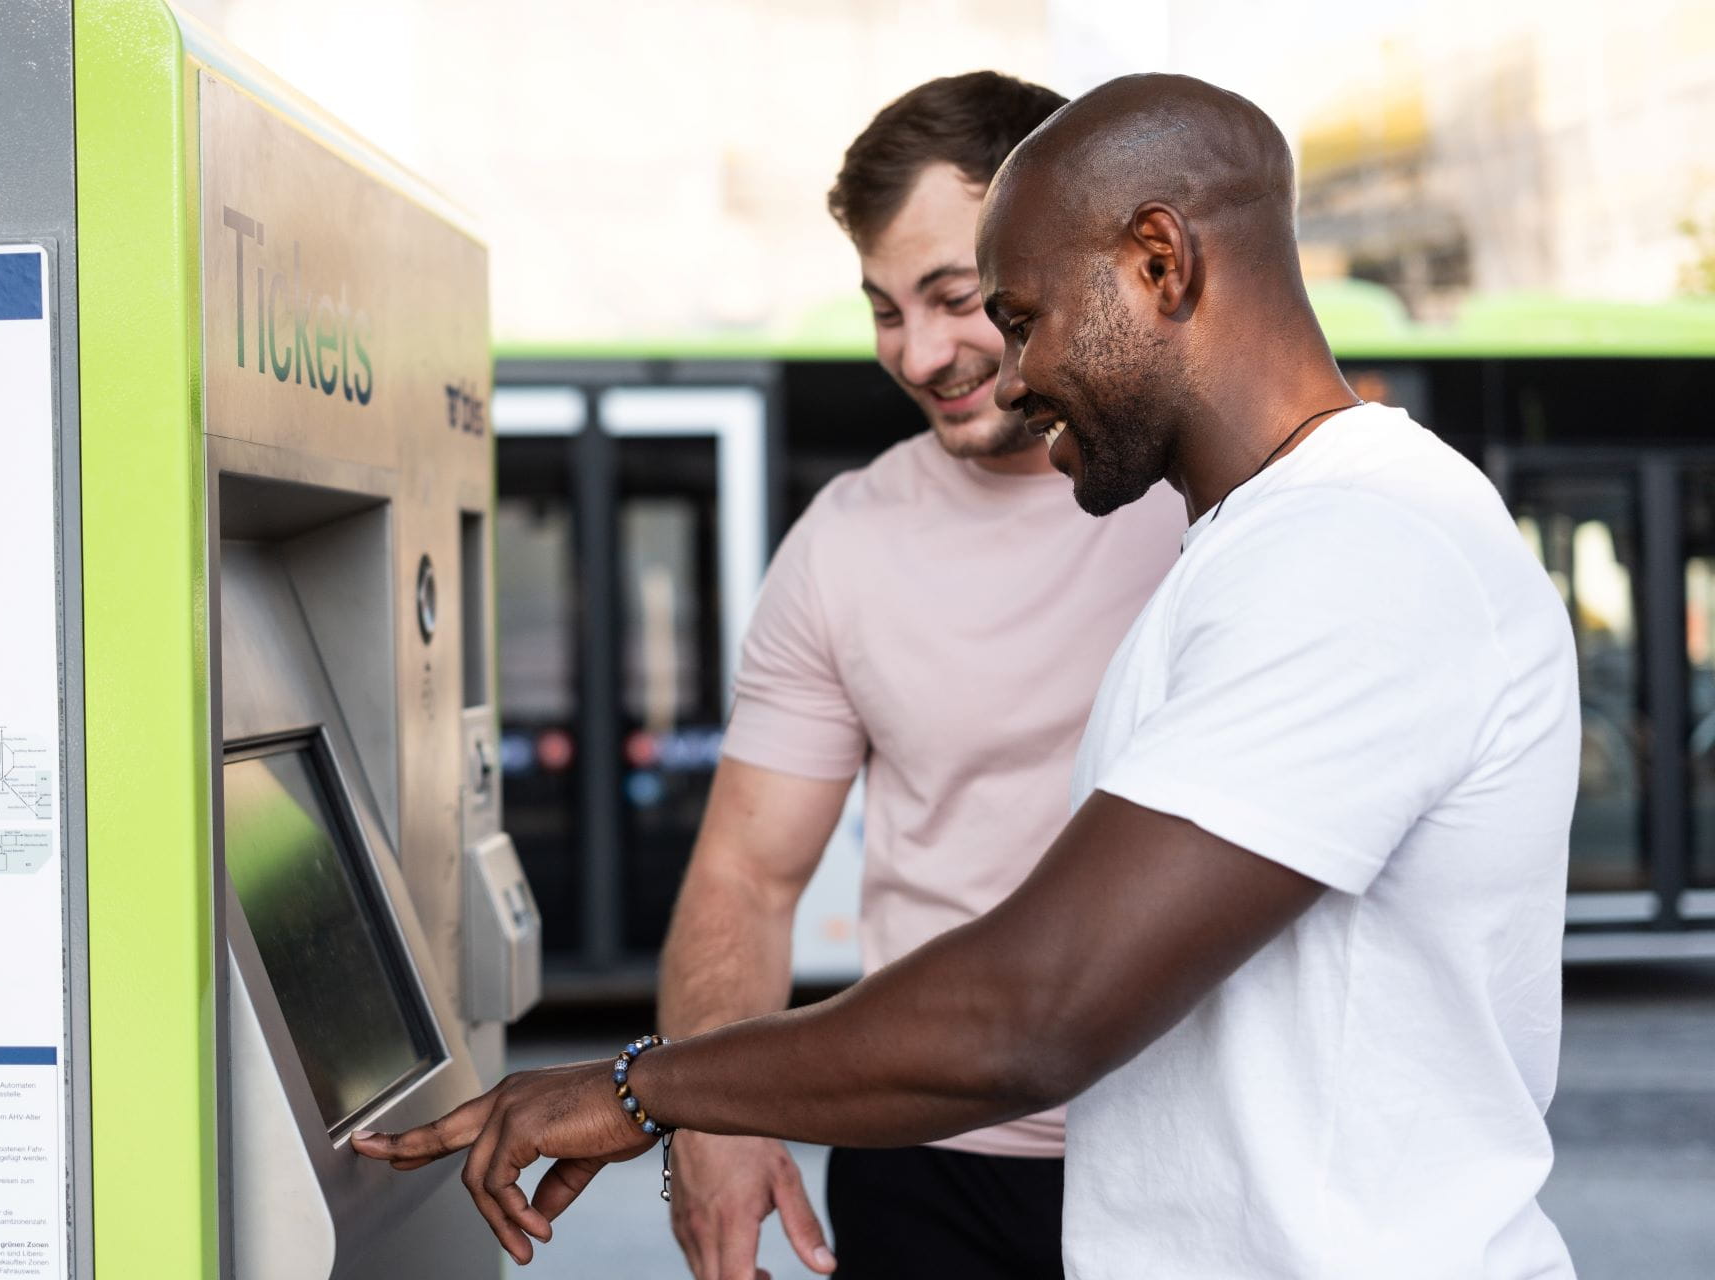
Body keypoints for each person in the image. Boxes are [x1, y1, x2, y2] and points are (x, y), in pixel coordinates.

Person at [354, 73, 1581, 1280]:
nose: (1003, 366)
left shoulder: (1358, 552)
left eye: (1018, 313)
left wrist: (642, 1087)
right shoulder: (1258, 542)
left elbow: (1032, 1012)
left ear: (1162, 262)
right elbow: (778, 885)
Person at [650, 70, 1183, 1280]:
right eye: (885, 309)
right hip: (926, 1161)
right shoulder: (845, 540)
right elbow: (746, 867)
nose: (921, 351)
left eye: (955, 297)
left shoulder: (1212, 498)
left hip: (1192, 1148)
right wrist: (714, 1110)